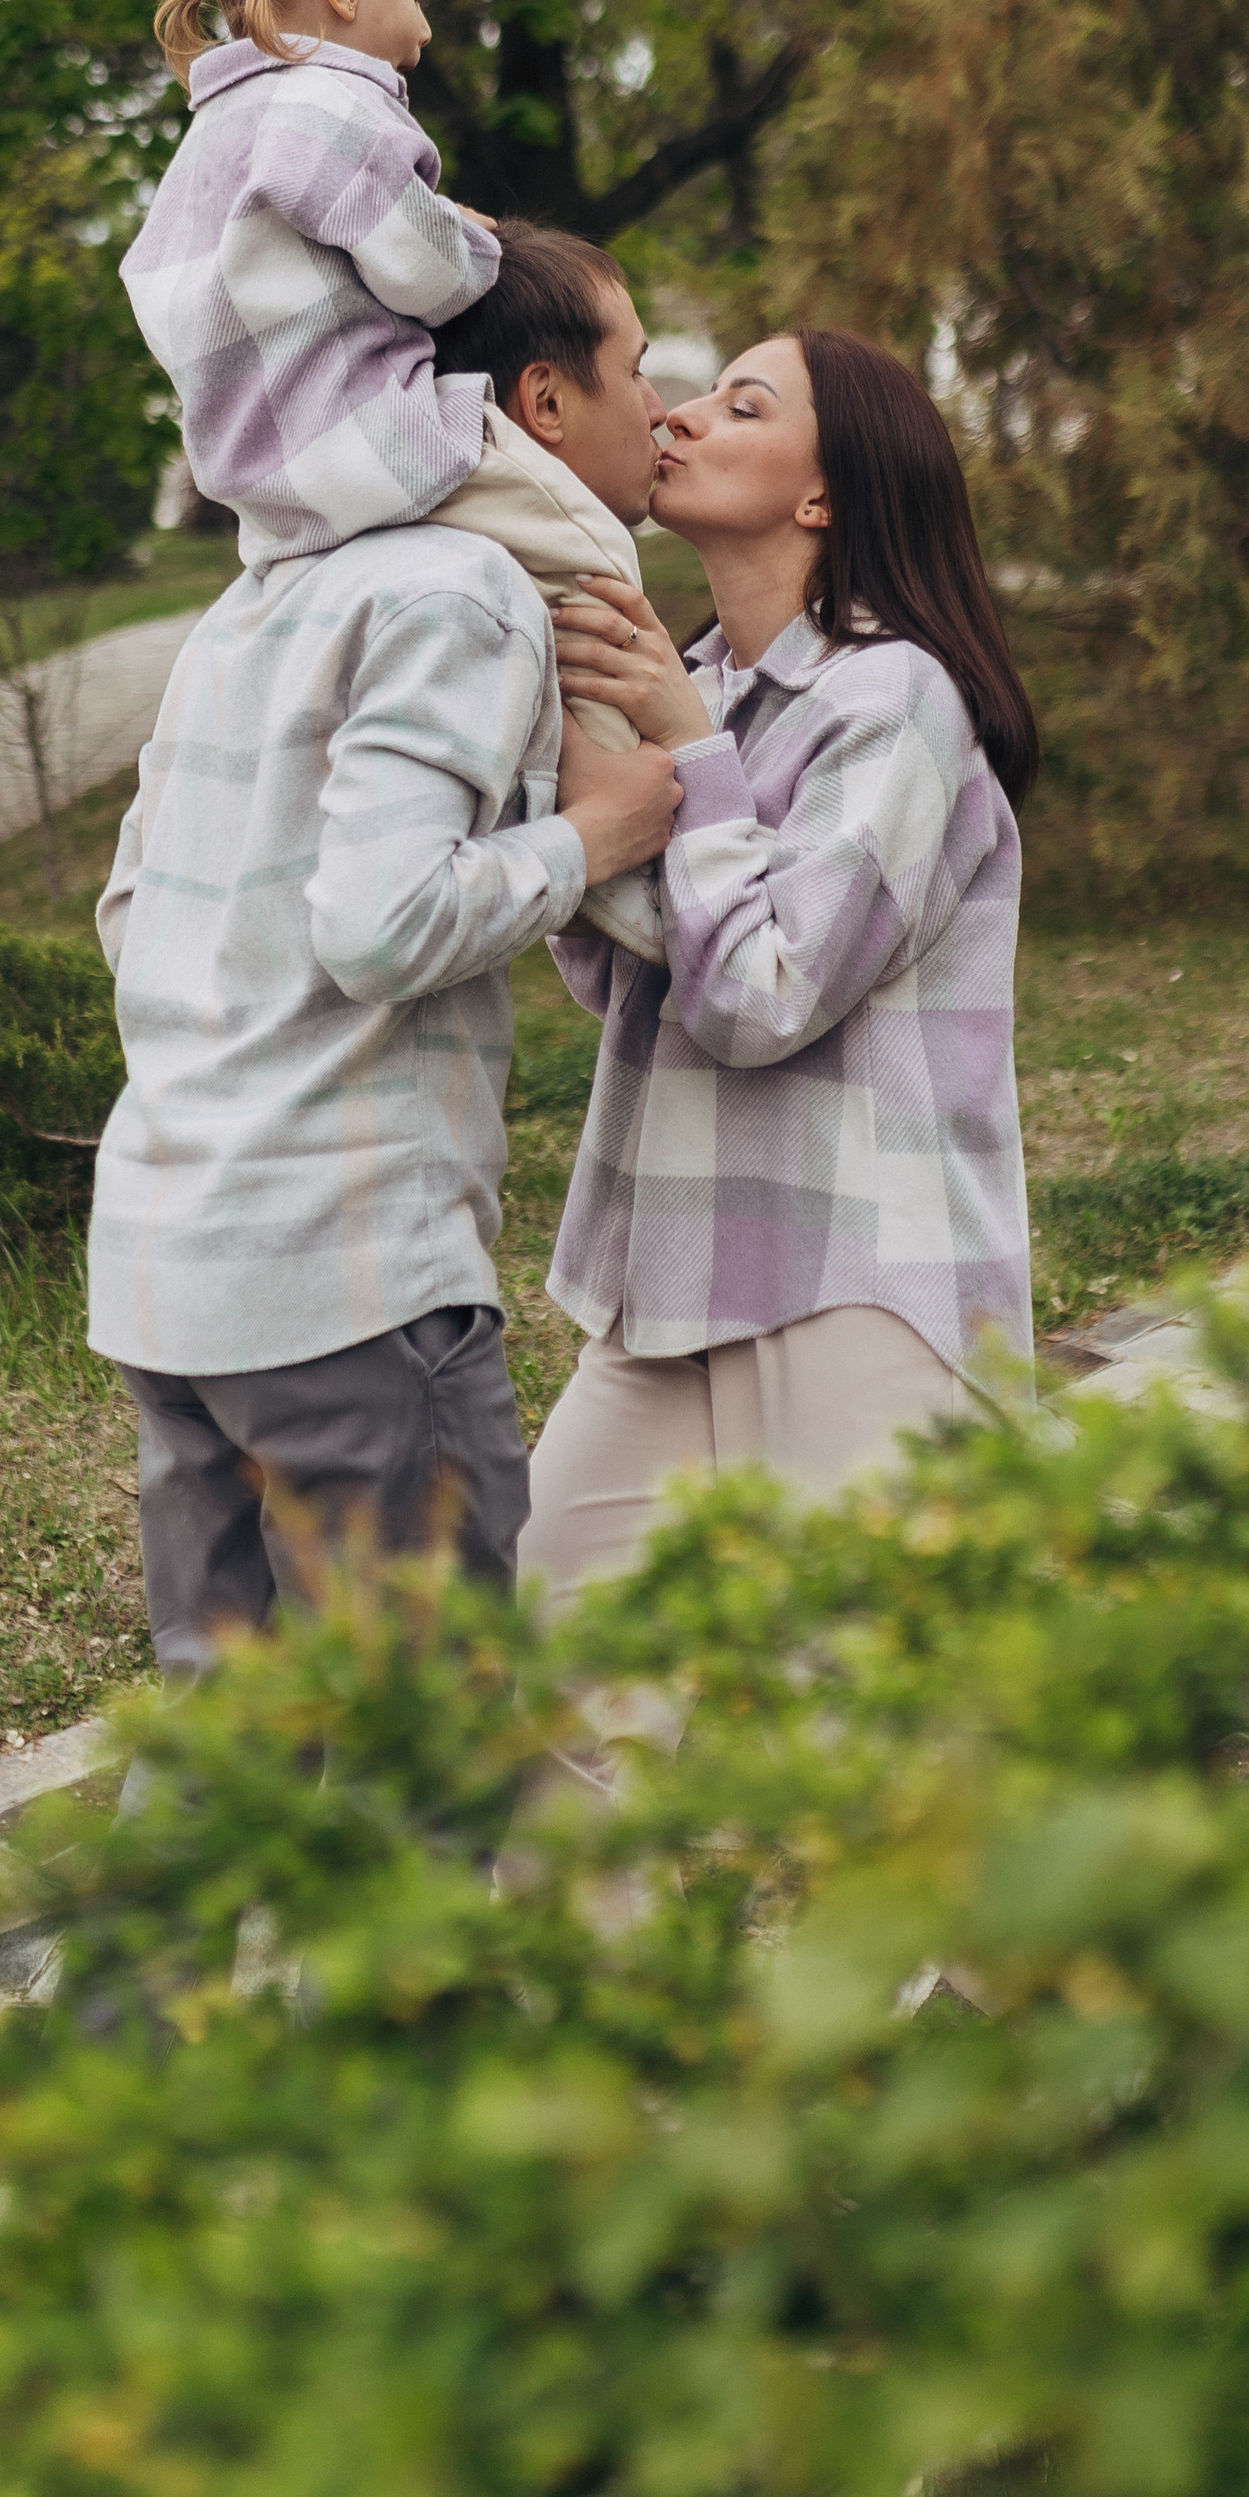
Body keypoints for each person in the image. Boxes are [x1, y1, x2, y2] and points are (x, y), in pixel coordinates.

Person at [90, 229, 681, 1677]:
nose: (661, 411)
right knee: (431, 1762)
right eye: (641, 371)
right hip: (343, 1288)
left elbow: (126, 910)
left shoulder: (257, 603)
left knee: (224, 1750)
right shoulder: (459, 590)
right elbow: (380, 922)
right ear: (540, 405)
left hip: (168, 1270)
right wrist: (596, 840)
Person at [517, 329, 1041, 1608]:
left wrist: (688, 764)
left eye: (740, 404)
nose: (680, 416)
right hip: (668, 1270)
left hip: (853, 1278)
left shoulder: (896, 701)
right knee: (545, 1678)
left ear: (823, 496)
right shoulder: (684, 683)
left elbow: (760, 998)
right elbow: (617, 981)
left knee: (873, 1740)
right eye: (693, 391)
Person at [123, 0, 662, 957]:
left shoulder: (210, 138)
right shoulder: (339, 106)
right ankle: (620, 842)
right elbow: (427, 273)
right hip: (378, 436)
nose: (420, 32)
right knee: (592, 565)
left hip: (276, 489)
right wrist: (469, 238)